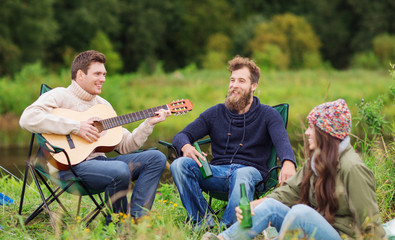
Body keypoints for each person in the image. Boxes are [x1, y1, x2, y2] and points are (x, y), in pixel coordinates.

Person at [19, 50, 171, 224]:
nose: (103, 79)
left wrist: (148, 124)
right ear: (80, 75)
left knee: (156, 158)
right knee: (120, 169)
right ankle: (117, 225)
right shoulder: (60, 95)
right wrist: (76, 127)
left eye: (104, 74)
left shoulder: (103, 106)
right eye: (97, 74)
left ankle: (137, 221)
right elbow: (27, 118)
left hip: (102, 166)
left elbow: (126, 146)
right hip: (70, 168)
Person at [203, 99, 386, 240]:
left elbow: (369, 221)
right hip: (318, 228)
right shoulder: (317, 161)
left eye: (311, 128)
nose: (306, 133)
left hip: (342, 236)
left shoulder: (352, 168)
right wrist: (257, 204)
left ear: (326, 134)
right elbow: (291, 189)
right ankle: (224, 238)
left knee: (301, 212)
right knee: (271, 206)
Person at [170, 55, 296, 229]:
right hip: (216, 173)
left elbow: (282, 142)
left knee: (243, 174)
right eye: (232, 80)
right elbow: (181, 135)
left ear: (254, 86)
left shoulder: (269, 115)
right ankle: (202, 222)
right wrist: (186, 146)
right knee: (180, 164)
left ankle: (227, 229)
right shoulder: (215, 113)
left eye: (241, 81)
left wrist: (288, 162)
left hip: (251, 174)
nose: (234, 85)